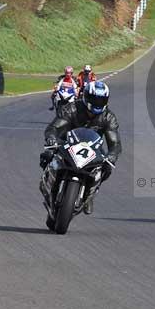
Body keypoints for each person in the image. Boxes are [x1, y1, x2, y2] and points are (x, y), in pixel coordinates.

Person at [43, 81, 121, 214]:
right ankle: (47, 182)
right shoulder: (72, 108)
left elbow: (115, 142)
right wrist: (52, 137)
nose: (97, 102)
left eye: (101, 99)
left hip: (93, 149)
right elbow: (54, 127)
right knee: (46, 155)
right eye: (95, 98)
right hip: (67, 143)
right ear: (86, 96)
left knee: (107, 168)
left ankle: (90, 195)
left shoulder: (109, 117)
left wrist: (112, 154)